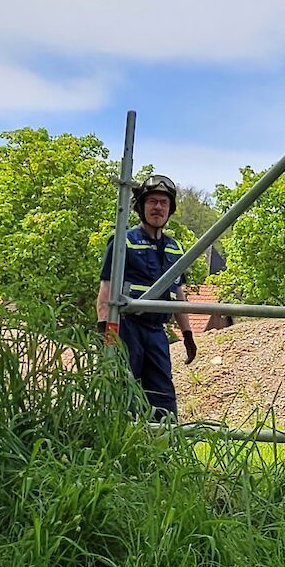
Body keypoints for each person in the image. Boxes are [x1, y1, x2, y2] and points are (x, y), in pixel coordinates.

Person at [96, 172, 197, 421]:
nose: (158, 207)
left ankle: (163, 453)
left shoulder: (175, 247)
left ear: (170, 209)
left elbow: (177, 294)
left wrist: (187, 334)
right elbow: (106, 291)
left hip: (156, 331)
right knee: (123, 392)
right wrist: (105, 334)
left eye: (164, 203)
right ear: (141, 207)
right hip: (127, 328)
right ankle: (121, 449)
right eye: (152, 201)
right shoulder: (123, 242)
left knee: (162, 396)